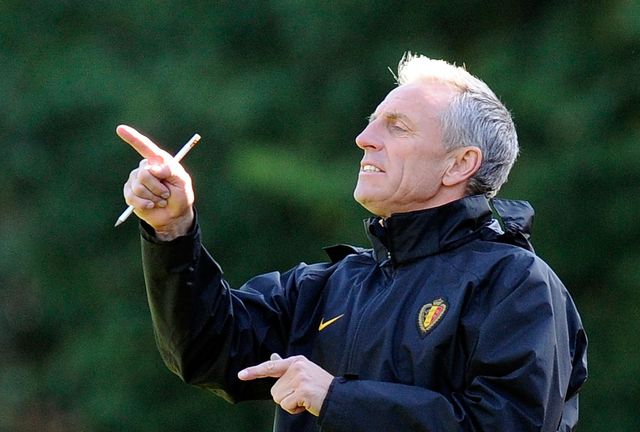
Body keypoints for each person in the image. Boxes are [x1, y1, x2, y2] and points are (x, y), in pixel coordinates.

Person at [119, 53, 587, 431]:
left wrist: (337, 399)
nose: (364, 139)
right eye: (372, 122)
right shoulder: (328, 287)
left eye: (397, 126)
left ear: (460, 164)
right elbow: (205, 351)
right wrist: (171, 230)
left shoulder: (515, 284)